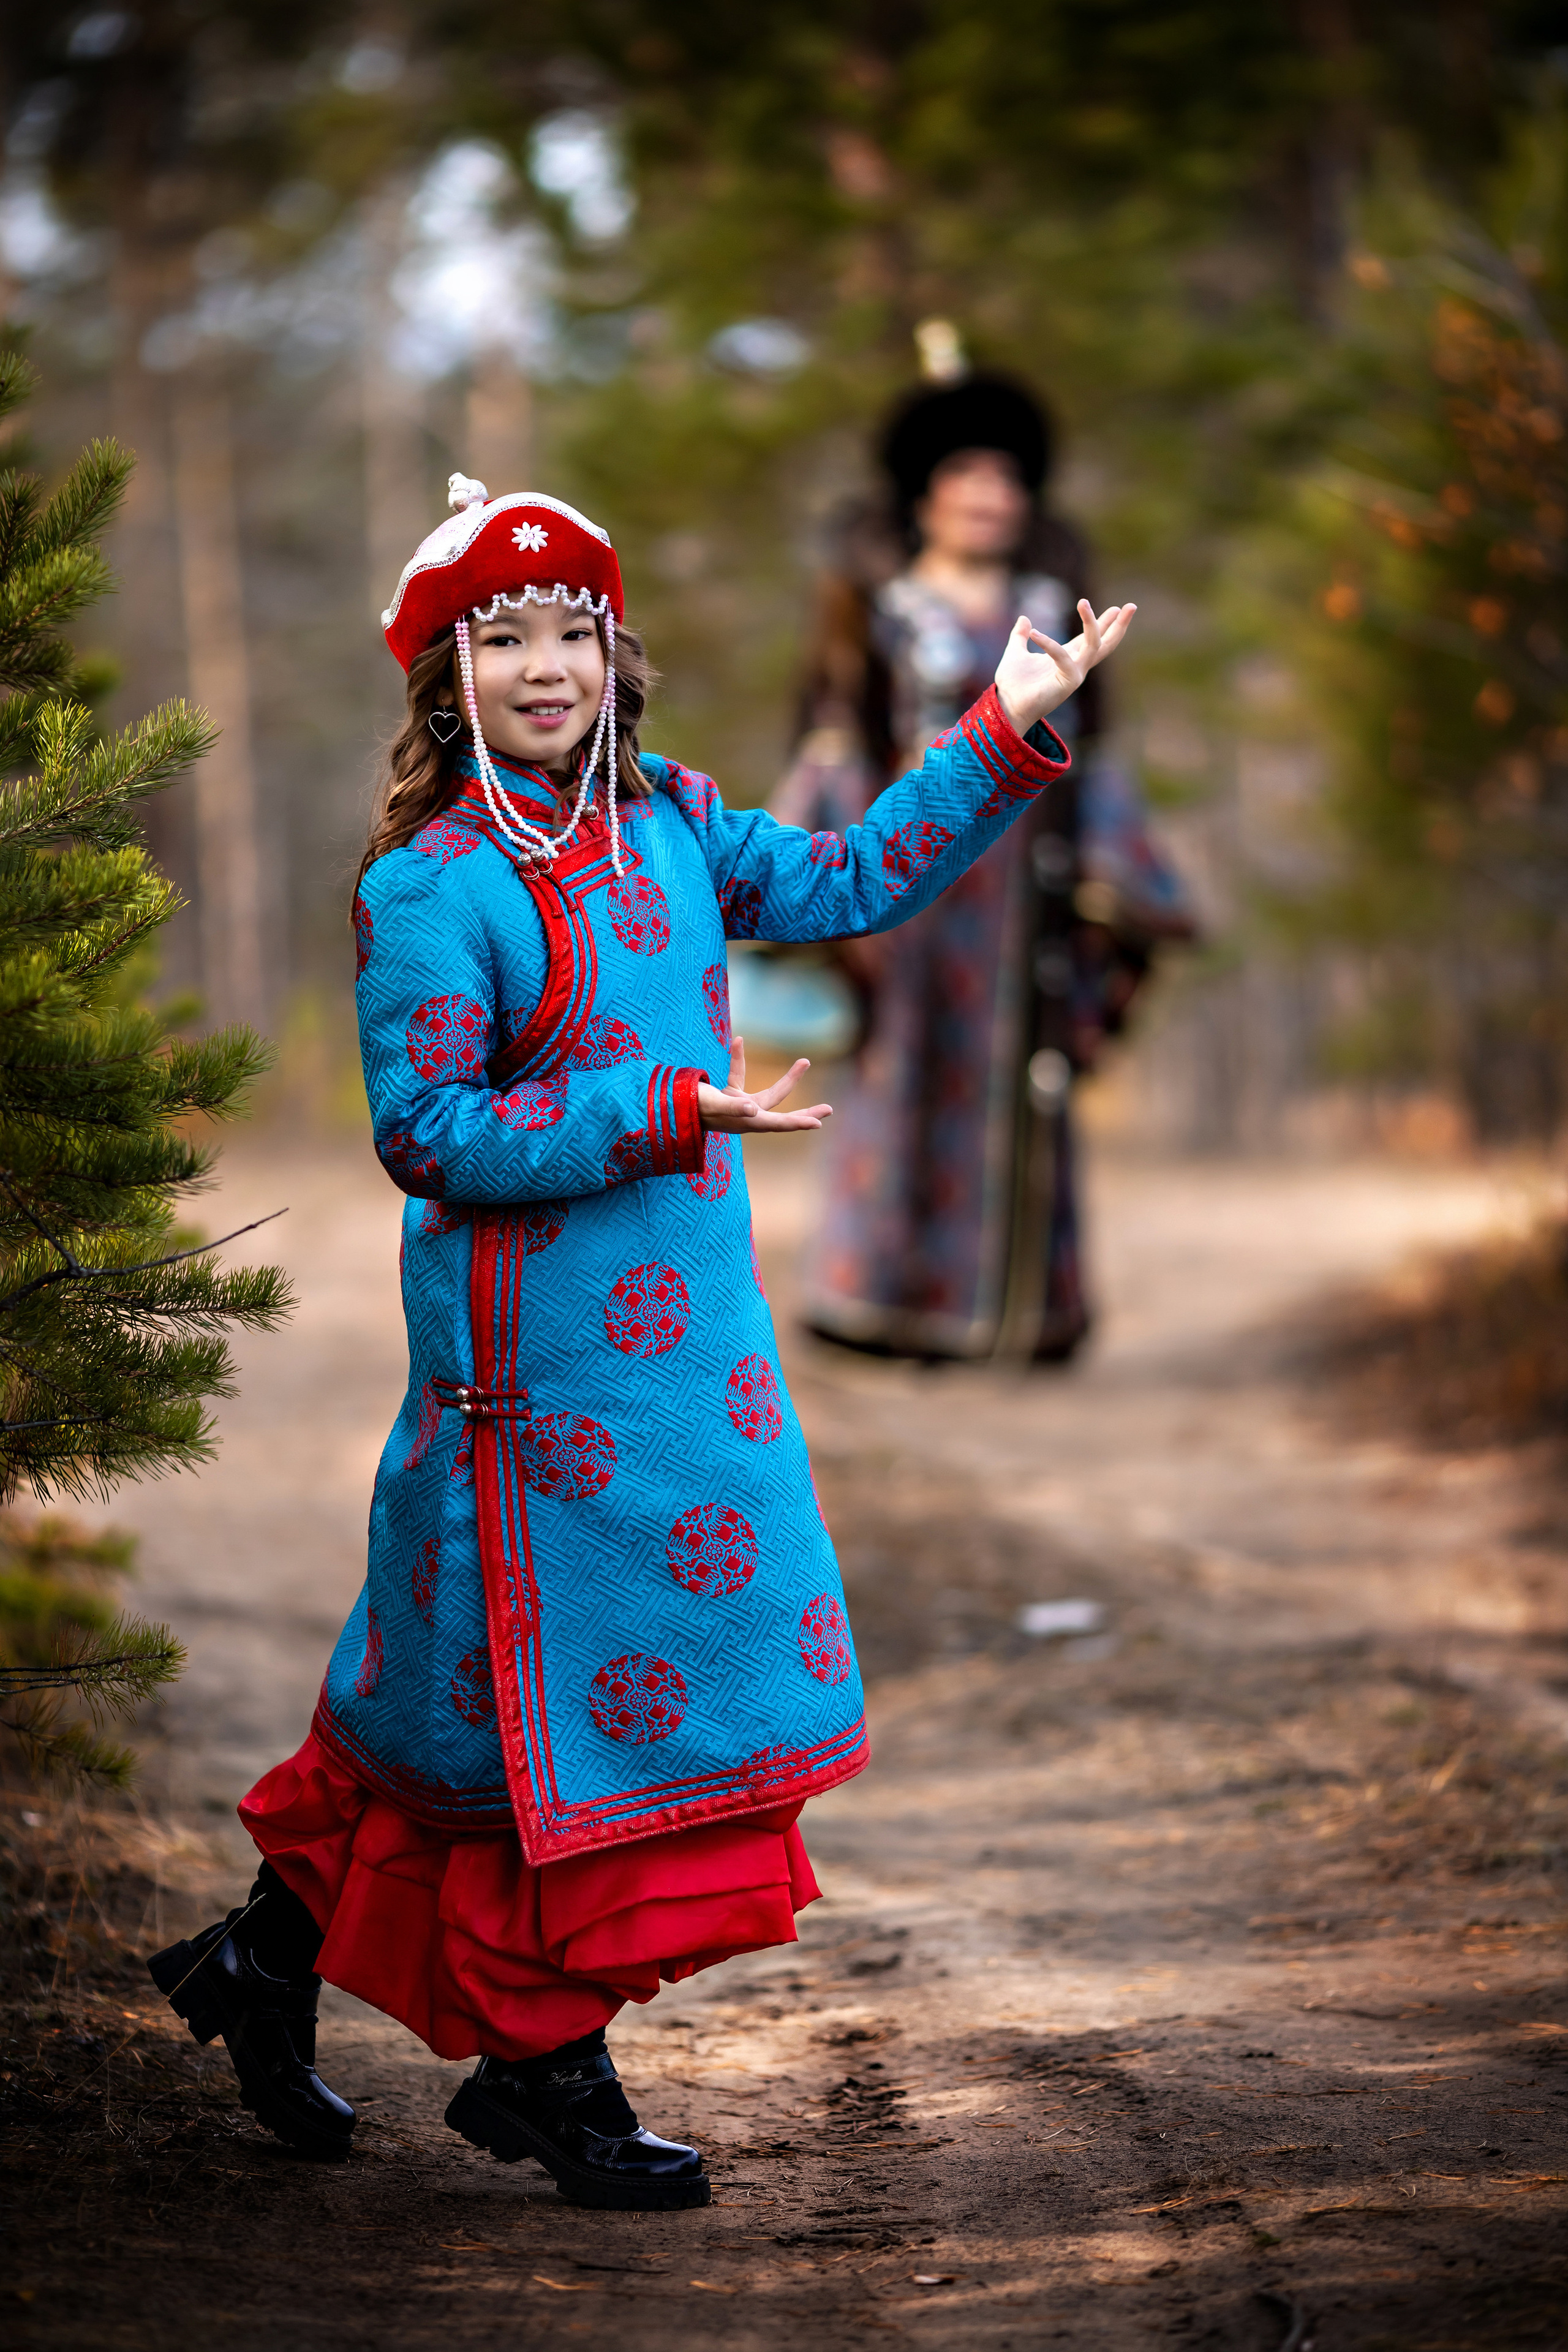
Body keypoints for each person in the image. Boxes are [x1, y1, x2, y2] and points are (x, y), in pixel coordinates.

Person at [146, 473, 1134, 2208]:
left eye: (572, 635)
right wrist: (663, 1109)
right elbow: (426, 1135)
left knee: (473, 1725)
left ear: (615, 658)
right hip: (530, 1391)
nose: (546, 668)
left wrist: (1003, 725)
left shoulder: (670, 821)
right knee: (555, 1726)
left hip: (694, 1374)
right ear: (445, 681)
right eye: (504, 641)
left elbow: (852, 877)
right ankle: (547, 2074)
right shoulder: (428, 888)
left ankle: (260, 1960)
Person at [773, 369, 1192, 1362]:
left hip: (1025, 895)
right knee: (896, 1076)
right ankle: (880, 1305)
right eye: (965, 475)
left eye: (1006, 479)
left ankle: (1023, 1315)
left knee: (1023, 1083)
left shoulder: (1057, 610)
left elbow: (1094, 755)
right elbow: (839, 743)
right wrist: (830, 877)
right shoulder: (875, 612)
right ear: (924, 494)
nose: (988, 497)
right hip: (905, 879)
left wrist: (1111, 879)